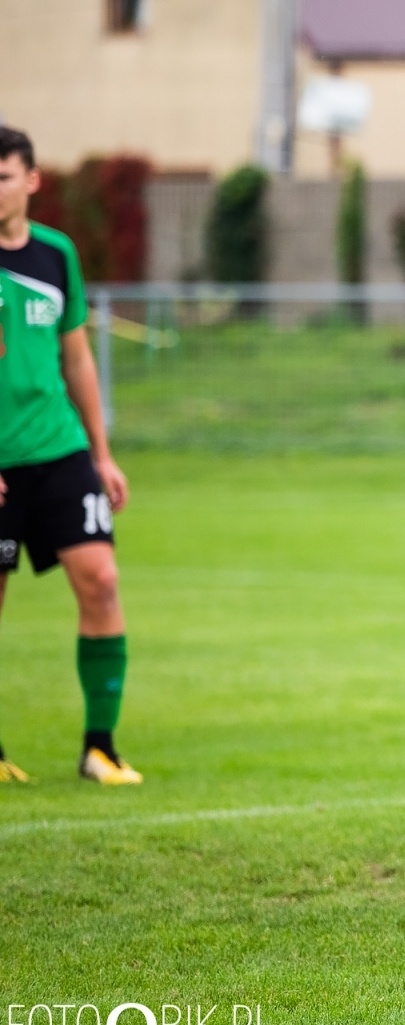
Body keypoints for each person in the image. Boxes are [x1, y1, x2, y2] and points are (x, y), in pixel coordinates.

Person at [0, 126, 140, 785]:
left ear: (31, 181)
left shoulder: (57, 255)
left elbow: (77, 357)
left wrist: (102, 454)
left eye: (3, 176)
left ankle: (100, 747)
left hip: (60, 451)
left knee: (103, 582)